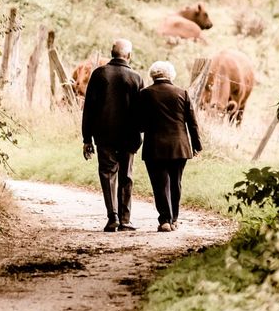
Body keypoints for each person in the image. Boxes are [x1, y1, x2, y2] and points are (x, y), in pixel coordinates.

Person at [82, 38, 144, 232]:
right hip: (129, 136)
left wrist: (87, 138)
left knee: (108, 174)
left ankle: (113, 217)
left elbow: (89, 109)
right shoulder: (136, 78)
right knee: (126, 176)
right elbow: (141, 111)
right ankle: (125, 220)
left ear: (111, 52)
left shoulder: (99, 74)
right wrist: (140, 132)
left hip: (104, 134)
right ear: (129, 56)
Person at [139, 61, 202, 232]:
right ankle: (174, 219)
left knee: (160, 184)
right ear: (170, 75)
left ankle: (165, 220)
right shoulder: (182, 93)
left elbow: (140, 124)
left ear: (153, 75)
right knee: (176, 182)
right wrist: (196, 145)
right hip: (179, 146)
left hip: (154, 147)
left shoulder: (145, 94)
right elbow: (192, 123)